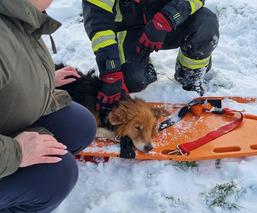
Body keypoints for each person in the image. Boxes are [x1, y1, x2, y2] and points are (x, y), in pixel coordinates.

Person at [0, 0, 97, 212]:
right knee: (56, 175)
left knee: (79, 126)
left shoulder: (17, 11)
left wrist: (41, 79)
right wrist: (17, 152)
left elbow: (11, 64)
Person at [82, 0, 220, 122]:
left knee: (206, 23)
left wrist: (165, 20)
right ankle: (144, 71)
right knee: (133, 80)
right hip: (127, 31)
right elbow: (99, 27)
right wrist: (111, 73)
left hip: (167, 21)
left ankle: (191, 76)